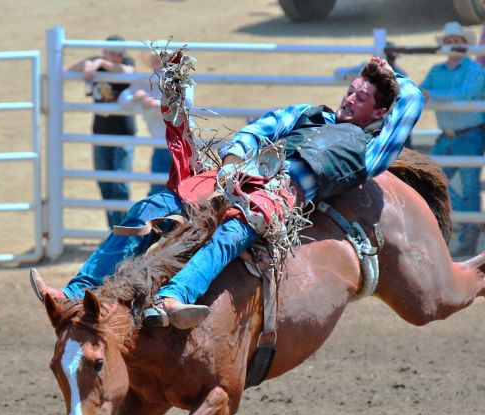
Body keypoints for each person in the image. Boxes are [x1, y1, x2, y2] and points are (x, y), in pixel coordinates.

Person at [33, 56, 423, 331]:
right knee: (150, 209)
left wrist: (391, 74)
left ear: (378, 114)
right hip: (229, 179)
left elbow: (412, 100)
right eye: (351, 90)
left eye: (361, 97)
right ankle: (76, 290)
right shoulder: (308, 113)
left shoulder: (370, 149)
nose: (349, 98)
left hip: (275, 198)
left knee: (230, 235)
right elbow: (263, 127)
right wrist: (235, 157)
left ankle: (173, 296)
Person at [421, 21, 485, 257]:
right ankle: (461, 228)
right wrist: (427, 94)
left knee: (467, 185)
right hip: (448, 135)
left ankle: (468, 233)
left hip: (470, 135)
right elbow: (421, 91)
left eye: (456, 42)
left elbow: (464, 95)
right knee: (431, 181)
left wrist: (431, 95)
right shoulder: (437, 71)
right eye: (449, 42)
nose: (452, 45)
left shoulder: (475, 71)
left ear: (465, 45)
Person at [66, 35, 136, 228]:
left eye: (118, 52)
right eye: (110, 52)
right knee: (105, 184)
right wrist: (90, 62)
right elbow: (66, 71)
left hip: (123, 133)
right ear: (104, 51)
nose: (115, 56)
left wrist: (99, 62)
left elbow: (128, 70)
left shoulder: (125, 63)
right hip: (100, 132)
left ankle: (121, 231)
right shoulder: (97, 65)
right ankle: (113, 229)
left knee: (120, 184)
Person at [118, 51, 189, 196]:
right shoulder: (147, 82)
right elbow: (124, 99)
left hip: (179, 143)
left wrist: (153, 102)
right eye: (155, 60)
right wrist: (138, 98)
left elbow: (186, 103)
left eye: (163, 59)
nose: (159, 63)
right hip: (162, 143)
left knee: (176, 190)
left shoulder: (180, 80)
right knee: (160, 189)